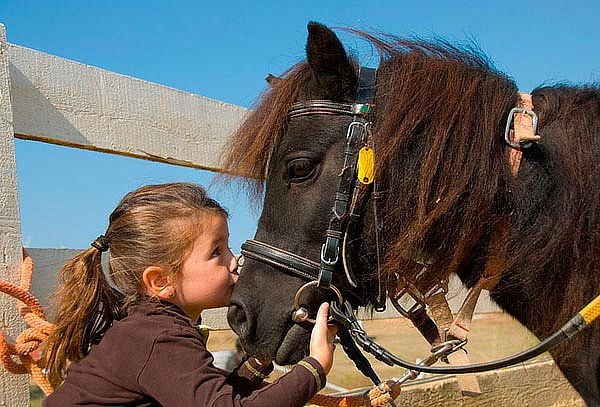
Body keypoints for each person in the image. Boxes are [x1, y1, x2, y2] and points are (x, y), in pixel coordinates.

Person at [42, 182, 337, 406]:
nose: (234, 261)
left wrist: (256, 362)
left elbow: (208, 395)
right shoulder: (159, 337)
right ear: (160, 281)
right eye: (216, 251)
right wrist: (314, 368)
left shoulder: (150, 327)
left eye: (228, 247)